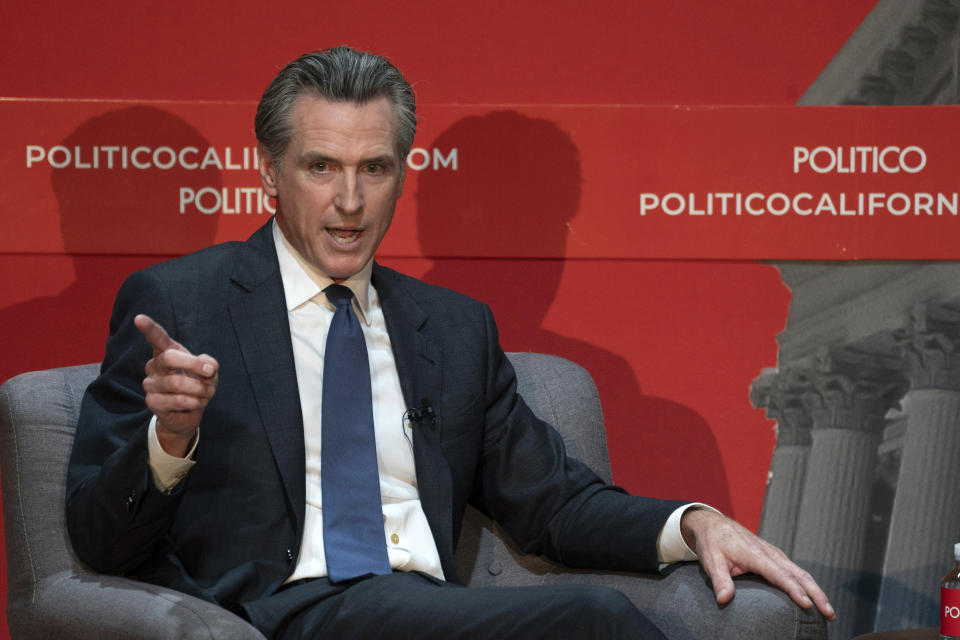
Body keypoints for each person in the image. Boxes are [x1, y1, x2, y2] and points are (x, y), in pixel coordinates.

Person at [66, 46, 834, 639]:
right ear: (269, 169)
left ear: (403, 174)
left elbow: (554, 505)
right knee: (588, 622)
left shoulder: (454, 327)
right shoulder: (182, 304)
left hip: (425, 611)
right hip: (286, 610)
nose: (349, 202)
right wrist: (169, 439)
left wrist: (694, 522)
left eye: (375, 168)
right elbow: (99, 539)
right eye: (321, 167)